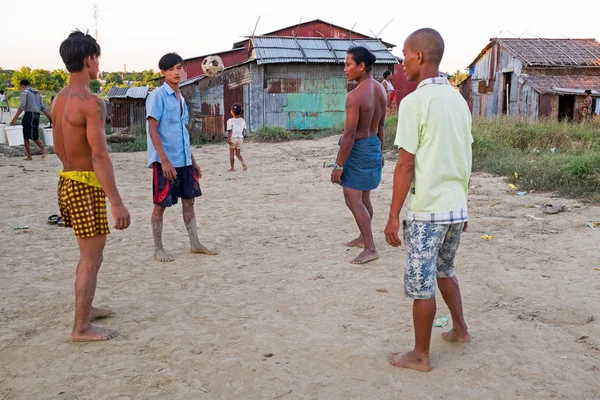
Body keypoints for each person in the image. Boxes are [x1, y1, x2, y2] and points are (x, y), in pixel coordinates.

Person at [384, 28, 473, 372]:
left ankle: (421, 355)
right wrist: (463, 204)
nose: (402, 62)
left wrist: (393, 215)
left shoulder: (414, 103)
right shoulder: (459, 102)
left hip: (427, 213)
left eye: (404, 54)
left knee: (422, 284)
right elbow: (464, 157)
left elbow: (406, 164)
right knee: (445, 270)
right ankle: (461, 330)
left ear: (419, 57)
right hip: (454, 207)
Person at [52, 30, 131, 341]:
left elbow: (61, 147)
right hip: (86, 185)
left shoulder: (59, 99)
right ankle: (81, 327)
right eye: (97, 58)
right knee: (91, 257)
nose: (99, 64)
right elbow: (99, 154)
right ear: (89, 59)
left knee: (86, 255)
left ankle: (88, 307)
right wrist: (116, 201)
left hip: (67, 180)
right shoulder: (91, 103)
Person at [146, 53, 217, 262]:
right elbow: (152, 130)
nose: (176, 72)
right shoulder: (157, 96)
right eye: (171, 69)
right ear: (163, 72)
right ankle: (158, 249)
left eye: (179, 68)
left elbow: (182, 131)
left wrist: (192, 160)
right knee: (161, 204)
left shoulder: (181, 98)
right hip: (166, 162)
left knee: (189, 202)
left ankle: (195, 243)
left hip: (184, 160)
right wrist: (164, 160)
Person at [330, 46, 387, 265]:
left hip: (359, 147)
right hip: (372, 144)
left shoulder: (353, 96)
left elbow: (349, 134)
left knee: (353, 200)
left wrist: (339, 165)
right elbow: (381, 125)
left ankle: (371, 247)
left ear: (361, 66)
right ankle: (364, 238)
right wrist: (380, 151)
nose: (345, 69)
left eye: (348, 64)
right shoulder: (381, 89)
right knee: (363, 198)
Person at [10, 79, 52, 160]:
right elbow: (43, 108)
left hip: (30, 115)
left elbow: (22, 106)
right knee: (25, 134)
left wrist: (14, 118)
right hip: (36, 115)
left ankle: (43, 149)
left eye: (20, 87)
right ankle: (29, 156)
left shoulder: (25, 92)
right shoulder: (37, 93)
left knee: (33, 135)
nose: (21, 88)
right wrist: (51, 118)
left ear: (23, 85)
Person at [226, 103, 247, 172]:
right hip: (240, 139)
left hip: (233, 139)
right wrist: (242, 138)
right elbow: (244, 131)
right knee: (238, 154)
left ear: (232, 112)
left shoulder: (230, 121)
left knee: (231, 154)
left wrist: (228, 139)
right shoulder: (242, 120)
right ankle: (243, 162)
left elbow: (229, 131)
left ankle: (232, 168)